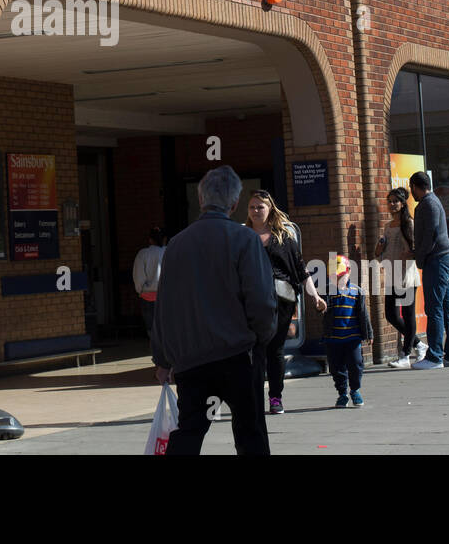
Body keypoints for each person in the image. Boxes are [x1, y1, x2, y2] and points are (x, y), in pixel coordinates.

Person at [152, 165, 275, 455]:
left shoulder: (176, 246)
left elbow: (164, 307)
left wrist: (163, 358)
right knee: (250, 431)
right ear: (234, 204)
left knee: (190, 431)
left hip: (191, 359)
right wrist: (262, 338)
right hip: (237, 355)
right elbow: (260, 300)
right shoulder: (244, 239)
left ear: (200, 197)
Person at [246, 190, 326, 414]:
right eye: (252, 207)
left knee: (274, 349)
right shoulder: (242, 236)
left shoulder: (283, 236)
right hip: (252, 301)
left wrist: (315, 296)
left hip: (281, 300)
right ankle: (254, 399)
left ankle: (275, 398)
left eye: (260, 207)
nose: (255, 211)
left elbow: (301, 270)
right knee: (254, 351)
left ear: (270, 209)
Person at [409, 171, 449, 370]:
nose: (411, 193)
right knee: (447, 308)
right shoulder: (434, 202)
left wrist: (419, 258)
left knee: (434, 309)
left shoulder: (427, 204)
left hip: (438, 260)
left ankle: (434, 357)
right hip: (445, 258)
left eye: (411, 189)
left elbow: (429, 234)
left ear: (415, 186)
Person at [373, 187, 424, 368]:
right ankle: (418, 344)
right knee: (391, 315)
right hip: (392, 275)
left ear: (403, 204)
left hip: (406, 276)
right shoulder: (387, 227)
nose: (392, 204)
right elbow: (380, 253)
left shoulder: (408, 224)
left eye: (395, 201)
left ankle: (405, 354)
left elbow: (417, 249)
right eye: (390, 201)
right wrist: (379, 250)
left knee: (408, 315)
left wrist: (409, 253)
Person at [321, 255, 372, 407]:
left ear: (348, 271)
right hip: (333, 338)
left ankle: (355, 390)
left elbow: (363, 314)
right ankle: (342, 393)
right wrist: (320, 306)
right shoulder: (327, 292)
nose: (337, 278)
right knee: (336, 367)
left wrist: (369, 333)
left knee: (356, 363)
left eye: (340, 275)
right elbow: (321, 310)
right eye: (334, 275)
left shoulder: (357, 291)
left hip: (352, 337)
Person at [132, 228, 164, 338]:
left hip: (147, 296)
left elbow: (138, 275)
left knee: (151, 328)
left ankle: (154, 349)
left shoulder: (143, 254)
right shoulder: (169, 251)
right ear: (164, 239)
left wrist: (140, 290)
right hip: (165, 295)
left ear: (150, 240)